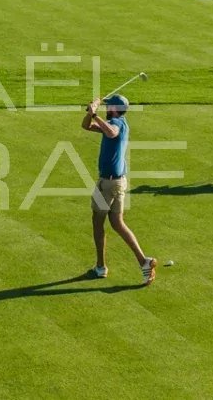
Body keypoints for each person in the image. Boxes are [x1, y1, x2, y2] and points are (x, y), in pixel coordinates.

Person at [80, 94, 157, 284]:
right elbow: (85, 126)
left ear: (114, 109)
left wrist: (95, 114)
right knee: (117, 222)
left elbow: (112, 133)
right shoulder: (119, 122)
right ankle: (144, 262)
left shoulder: (117, 124)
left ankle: (100, 267)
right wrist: (91, 113)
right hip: (118, 182)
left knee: (97, 222)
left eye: (108, 106)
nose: (106, 108)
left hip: (108, 184)